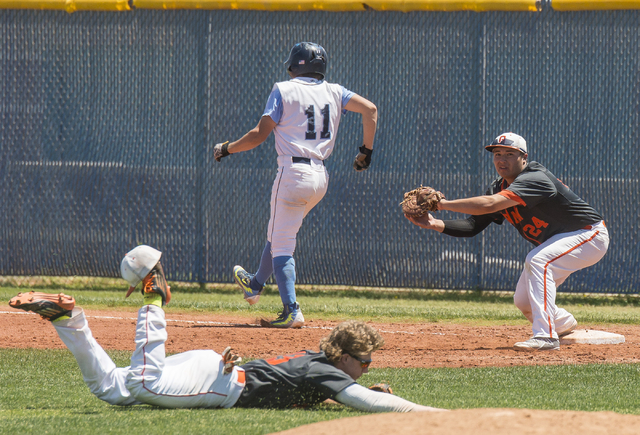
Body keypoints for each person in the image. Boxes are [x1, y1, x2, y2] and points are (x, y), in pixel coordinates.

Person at [8, 245, 444, 412]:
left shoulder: (318, 365)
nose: (366, 369)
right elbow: (377, 407)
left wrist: (349, 396)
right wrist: (444, 420)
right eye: (364, 361)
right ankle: (152, 295)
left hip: (214, 369)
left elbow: (332, 398)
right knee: (142, 382)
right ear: (346, 356)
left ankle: (69, 320)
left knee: (111, 388)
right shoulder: (327, 373)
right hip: (218, 383)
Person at [213, 42, 378, 328]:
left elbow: (257, 135)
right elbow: (371, 110)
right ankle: (254, 284)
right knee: (279, 234)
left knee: (283, 243)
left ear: (294, 65)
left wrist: (227, 148)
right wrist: (366, 152)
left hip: (293, 173)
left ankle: (292, 310)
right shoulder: (335, 91)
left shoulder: (284, 89)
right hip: (320, 178)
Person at [405, 132, 609, 352]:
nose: (501, 159)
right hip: (561, 241)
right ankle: (562, 324)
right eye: (497, 154)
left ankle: (546, 337)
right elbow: (473, 226)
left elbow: (490, 204)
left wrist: (442, 204)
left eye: (509, 154)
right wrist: (435, 223)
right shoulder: (498, 186)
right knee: (523, 301)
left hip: (589, 235)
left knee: (538, 261)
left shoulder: (535, 178)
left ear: (524, 157)